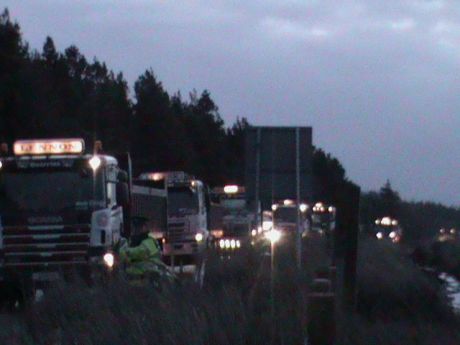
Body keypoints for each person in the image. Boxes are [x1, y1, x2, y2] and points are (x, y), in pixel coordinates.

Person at [119, 217, 175, 286]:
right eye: (134, 228)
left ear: (144, 228)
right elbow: (122, 251)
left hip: (151, 271)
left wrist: (127, 252)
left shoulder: (149, 240)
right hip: (135, 272)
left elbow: (141, 251)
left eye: (139, 227)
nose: (136, 230)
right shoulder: (131, 241)